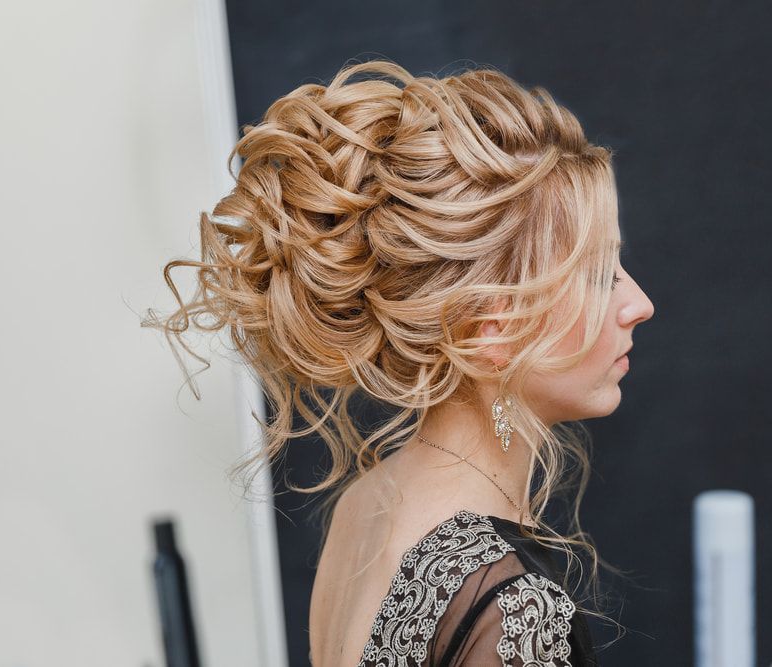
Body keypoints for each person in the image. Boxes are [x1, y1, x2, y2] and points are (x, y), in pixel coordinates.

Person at [145, 58, 655, 666]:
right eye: (599, 275)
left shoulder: (369, 503)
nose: (640, 304)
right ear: (492, 328)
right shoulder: (513, 612)